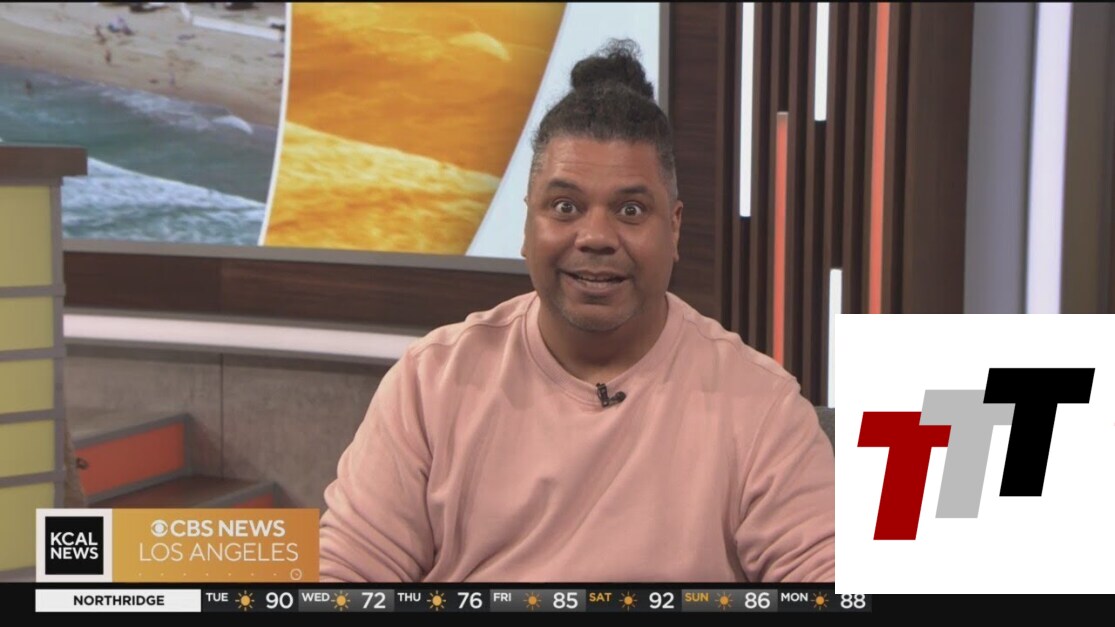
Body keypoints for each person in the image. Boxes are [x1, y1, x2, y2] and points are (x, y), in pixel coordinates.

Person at [318, 40, 834, 583]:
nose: (595, 237)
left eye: (630, 210)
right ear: (527, 224)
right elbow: (344, 573)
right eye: (565, 207)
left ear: (674, 227)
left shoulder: (760, 405)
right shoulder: (430, 383)